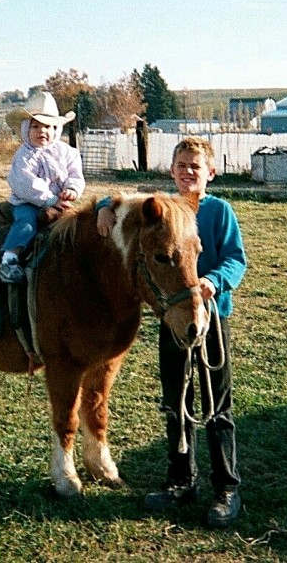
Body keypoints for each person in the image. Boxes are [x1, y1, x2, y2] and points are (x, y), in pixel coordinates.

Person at [96, 136, 247, 528]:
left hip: (210, 316)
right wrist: (101, 206)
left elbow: (236, 259)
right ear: (172, 171)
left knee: (218, 405)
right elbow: (119, 200)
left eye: (196, 166)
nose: (188, 172)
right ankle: (181, 480)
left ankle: (227, 488)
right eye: (182, 165)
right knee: (175, 400)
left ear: (211, 173)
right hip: (173, 319)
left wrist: (214, 281)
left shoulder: (218, 212)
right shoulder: (163, 210)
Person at [0, 91, 85, 283]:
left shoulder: (67, 152)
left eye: (47, 126)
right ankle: (9, 259)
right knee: (27, 223)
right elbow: (25, 183)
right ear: (25, 129)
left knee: (75, 228)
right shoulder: (25, 155)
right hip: (29, 202)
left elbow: (75, 174)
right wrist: (50, 199)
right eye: (35, 126)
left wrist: (72, 190)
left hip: (60, 202)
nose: (41, 131)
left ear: (56, 129)